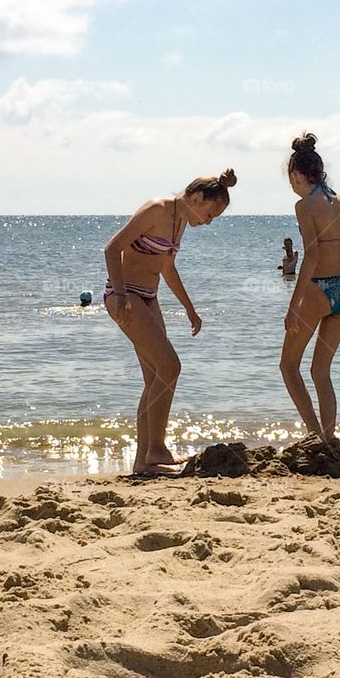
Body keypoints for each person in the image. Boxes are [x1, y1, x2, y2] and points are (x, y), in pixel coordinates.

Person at [104, 168, 238, 474]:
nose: (208, 221)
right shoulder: (157, 208)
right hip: (125, 297)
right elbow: (112, 248)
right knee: (170, 367)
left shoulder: (180, 221)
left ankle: (145, 460)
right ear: (196, 197)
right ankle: (156, 451)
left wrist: (189, 308)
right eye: (210, 214)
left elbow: (167, 267)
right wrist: (122, 295)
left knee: (156, 378)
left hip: (148, 299)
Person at [280, 133, 340, 444]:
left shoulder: (304, 205)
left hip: (318, 288)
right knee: (321, 372)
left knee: (288, 367)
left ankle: (315, 436)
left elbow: (312, 255)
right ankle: (329, 438)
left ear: (297, 175)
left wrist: (293, 305)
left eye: (291, 178)